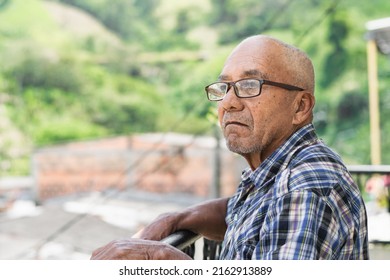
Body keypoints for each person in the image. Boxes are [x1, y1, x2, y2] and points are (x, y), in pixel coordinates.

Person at [91, 35, 369, 260]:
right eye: (224, 88)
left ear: (300, 107)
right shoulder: (276, 172)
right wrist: (177, 218)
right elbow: (240, 214)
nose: (228, 103)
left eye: (249, 85)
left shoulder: (304, 186)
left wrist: (161, 257)